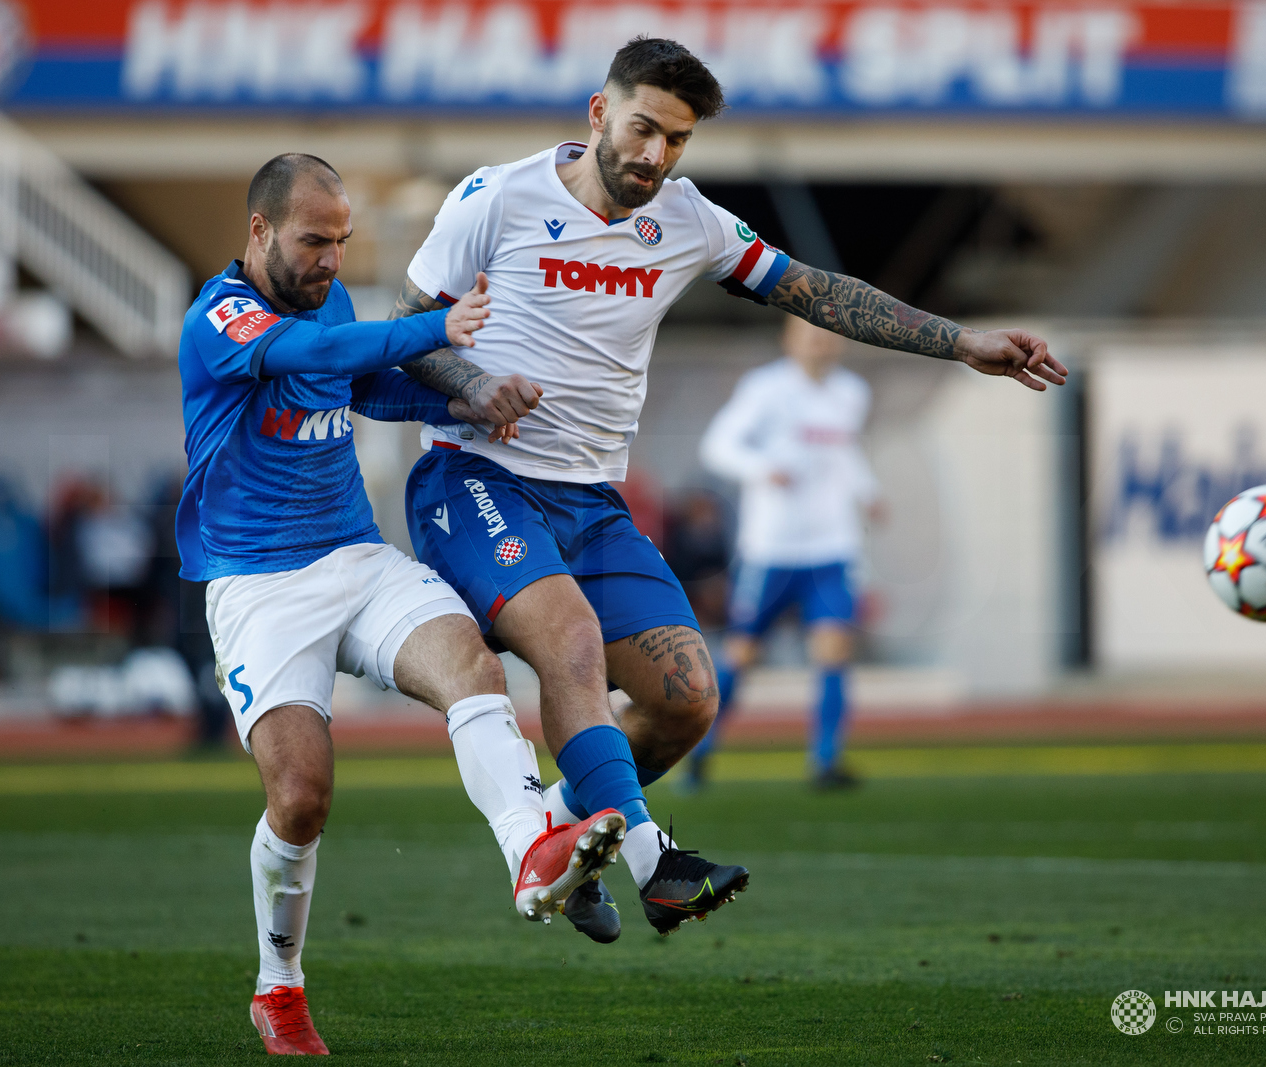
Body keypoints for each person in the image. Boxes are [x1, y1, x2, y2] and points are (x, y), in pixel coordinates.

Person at [387, 37, 1067, 942]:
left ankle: (565, 831)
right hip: (473, 475)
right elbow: (402, 333)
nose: (654, 156)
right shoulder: (494, 197)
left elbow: (816, 291)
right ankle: (652, 862)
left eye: (676, 140)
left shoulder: (689, 221)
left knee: (686, 699)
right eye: (641, 129)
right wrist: (472, 386)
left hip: (589, 500)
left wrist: (960, 341)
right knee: (573, 645)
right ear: (598, 114)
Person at [178, 153, 626, 1056]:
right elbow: (312, 353)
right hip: (259, 584)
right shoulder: (219, 316)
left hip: (355, 553)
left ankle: (531, 854)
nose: (331, 260)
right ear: (259, 230)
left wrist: (468, 386)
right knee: (301, 799)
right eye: (315, 239)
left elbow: (366, 382)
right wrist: (430, 328)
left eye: (342, 241)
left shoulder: (328, 301)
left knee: (470, 659)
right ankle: (280, 985)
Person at [692, 317, 882, 790]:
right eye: (810, 331)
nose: (820, 340)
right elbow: (717, 446)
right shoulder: (766, 388)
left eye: (828, 331)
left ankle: (825, 761)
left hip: (832, 546)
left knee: (835, 648)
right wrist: (762, 468)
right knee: (742, 653)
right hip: (772, 549)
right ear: (789, 338)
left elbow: (844, 453)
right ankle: (701, 749)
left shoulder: (852, 392)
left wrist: (869, 491)